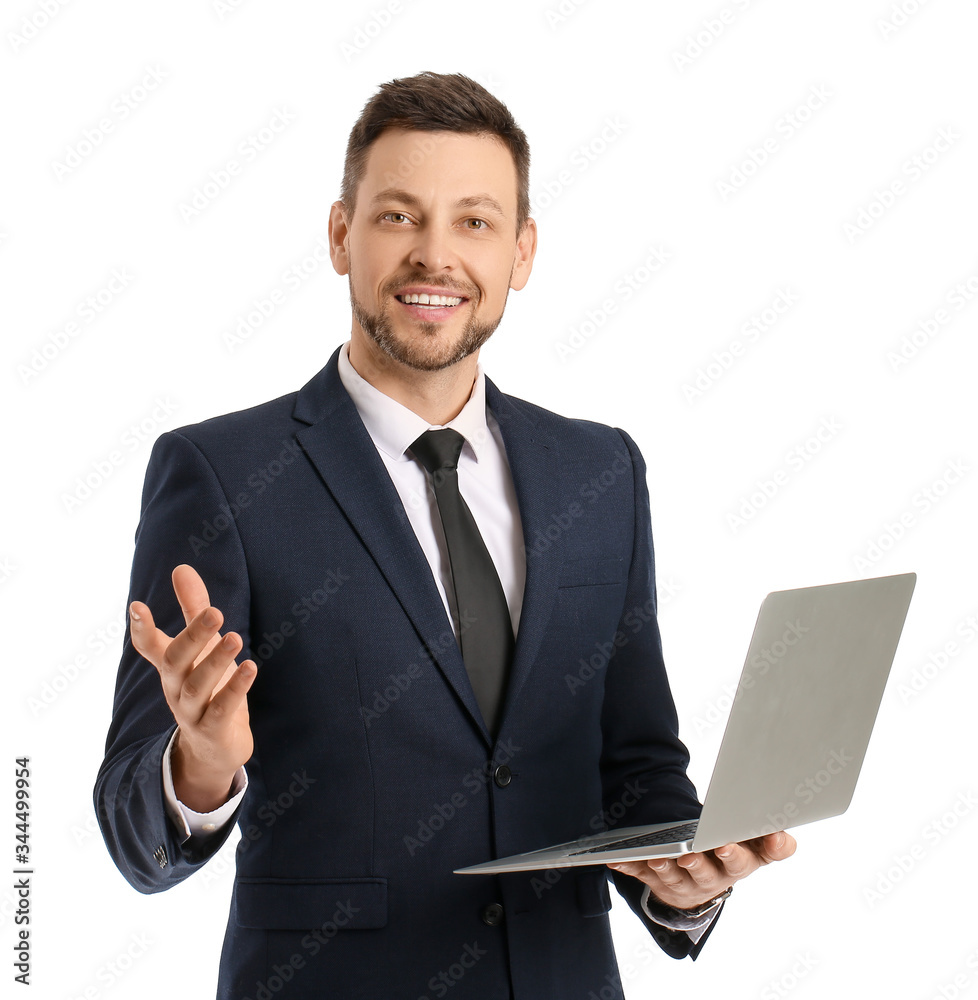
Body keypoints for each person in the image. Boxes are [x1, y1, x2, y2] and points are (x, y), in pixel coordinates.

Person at [95, 71, 795, 1000]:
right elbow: (129, 829)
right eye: (397, 217)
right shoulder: (222, 473)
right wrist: (203, 766)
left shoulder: (602, 473)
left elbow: (638, 764)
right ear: (341, 235)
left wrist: (686, 879)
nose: (436, 257)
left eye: (474, 221)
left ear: (522, 251)